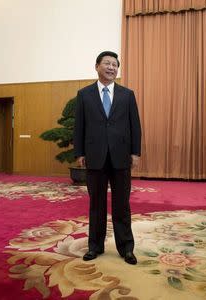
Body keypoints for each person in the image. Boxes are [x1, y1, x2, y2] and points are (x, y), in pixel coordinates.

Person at [73, 51, 141, 265]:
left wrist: (135, 152)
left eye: (115, 64)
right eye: (107, 63)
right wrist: (80, 153)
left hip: (121, 157)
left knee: (122, 205)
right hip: (95, 156)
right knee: (97, 205)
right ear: (97, 66)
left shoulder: (127, 94)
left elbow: (135, 125)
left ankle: (126, 248)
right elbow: (79, 127)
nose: (111, 67)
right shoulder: (84, 94)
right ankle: (95, 246)